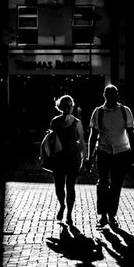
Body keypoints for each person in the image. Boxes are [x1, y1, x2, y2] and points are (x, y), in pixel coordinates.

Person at [86, 84, 134, 228]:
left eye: (114, 94)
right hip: (104, 152)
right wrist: (90, 157)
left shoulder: (125, 111)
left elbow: (131, 133)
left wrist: (133, 152)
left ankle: (112, 215)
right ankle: (103, 215)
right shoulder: (98, 112)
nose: (112, 97)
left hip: (121, 152)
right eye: (109, 94)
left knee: (116, 185)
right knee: (102, 183)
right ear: (105, 96)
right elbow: (93, 135)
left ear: (117, 95)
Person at [49, 95, 87, 224]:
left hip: (73, 158)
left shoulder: (77, 122)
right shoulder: (55, 121)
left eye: (70, 105)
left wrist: (84, 159)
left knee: (70, 186)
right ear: (61, 107)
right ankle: (62, 205)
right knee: (59, 187)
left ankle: (69, 213)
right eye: (66, 105)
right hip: (58, 159)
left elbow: (82, 142)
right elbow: (50, 140)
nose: (69, 107)